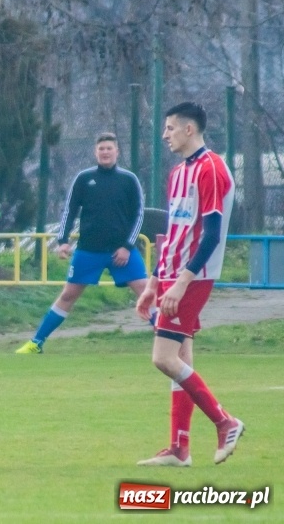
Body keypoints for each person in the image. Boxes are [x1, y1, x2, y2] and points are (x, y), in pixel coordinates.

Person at [135, 102, 244, 466]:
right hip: (170, 274)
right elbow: (173, 232)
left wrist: (181, 283)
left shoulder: (212, 169)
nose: (164, 134)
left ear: (188, 129)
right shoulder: (178, 172)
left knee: (163, 358)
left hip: (193, 276)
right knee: (181, 356)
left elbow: (210, 235)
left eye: (169, 127)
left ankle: (224, 420)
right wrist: (153, 282)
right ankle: (180, 448)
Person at [17, 132, 150, 354]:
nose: (105, 152)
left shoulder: (129, 179)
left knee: (146, 293)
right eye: (101, 149)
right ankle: (36, 343)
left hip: (122, 251)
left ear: (117, 151)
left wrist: (127, 246)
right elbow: (69, 211)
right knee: (68, 295)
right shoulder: (83, 178)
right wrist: (62, 241)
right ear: (95, 152)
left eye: (109, 148)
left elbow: (138, 215)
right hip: (89, 250)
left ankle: (171, 341)